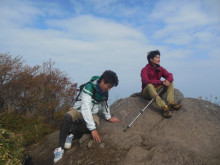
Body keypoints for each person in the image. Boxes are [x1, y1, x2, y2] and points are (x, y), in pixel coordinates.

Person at [54, 70, 119, 163]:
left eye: (111, 87)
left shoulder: (105, 91)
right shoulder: (89, 87)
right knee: (67, 117)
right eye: (108, 86)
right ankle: (59, 148)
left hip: (93, 113)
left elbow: (105, 104)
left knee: (94, 125)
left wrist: (108, 117)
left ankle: (72, 133)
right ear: (102, 81)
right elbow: (85, 108)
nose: (108, 89)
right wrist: (92, 129)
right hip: (79, 110)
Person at [141, 50, 180, 118]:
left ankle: (170, 103)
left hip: (156, 91)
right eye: (156, 57)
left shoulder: (160, 68)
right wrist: (161, 82)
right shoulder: (145, 69)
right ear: (151, 59)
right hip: (147, 92)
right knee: (150, 85)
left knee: (170, 82)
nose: (158, 59)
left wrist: (168, 80)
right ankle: (163, 106)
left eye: (159, 57)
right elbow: (145, 81)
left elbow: (170, 75)